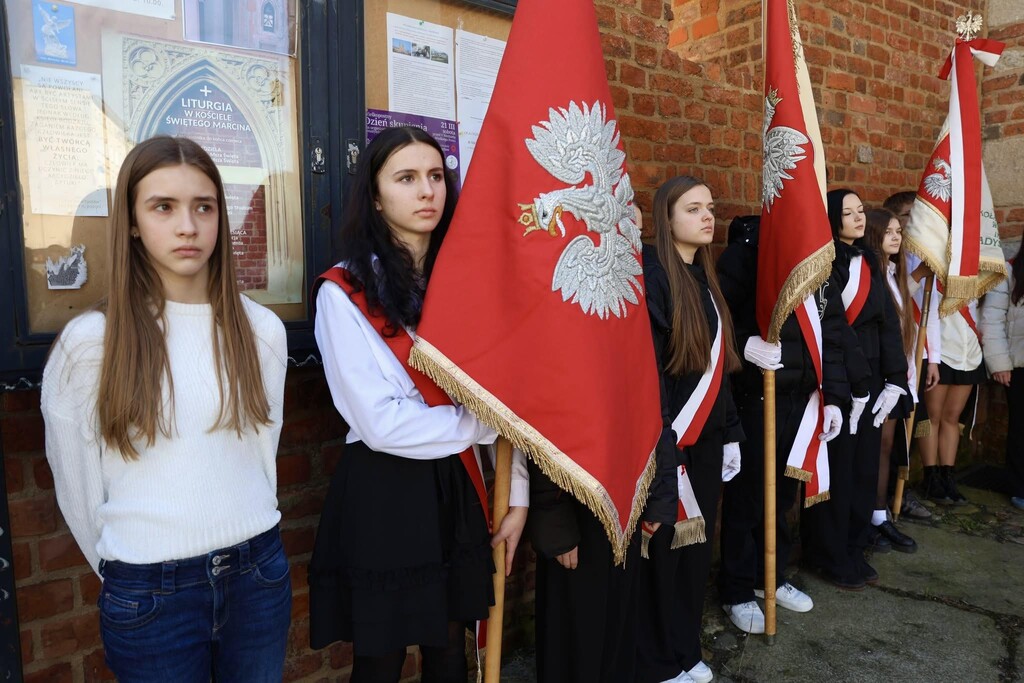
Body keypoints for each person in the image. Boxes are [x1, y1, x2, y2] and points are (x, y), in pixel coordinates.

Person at [41, 136, 291, 682]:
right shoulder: (92, 345)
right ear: (132, 221)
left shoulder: (261, 331)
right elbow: (79, 491)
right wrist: (133, 569)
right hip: (151, 596)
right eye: (163, 207)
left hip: (258, 579)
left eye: (204, 207)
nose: (188, 226)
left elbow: (259, 457)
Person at [307, 126, 528, 683]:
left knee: (450, 649)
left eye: (435, 176)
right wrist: (479, 423)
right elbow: (381, 424)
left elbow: (510, 401)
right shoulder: (343, 293)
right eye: (406, 178)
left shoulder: (471, 286)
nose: (427, 190)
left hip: (460, 486)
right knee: (380, 657)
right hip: (386, 491)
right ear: (376, 196)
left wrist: (517, 494)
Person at [716, 215, 849, 634]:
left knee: (784, 495)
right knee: (748, 499)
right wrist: (744, 345)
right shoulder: (746, 255)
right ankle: (736, 588)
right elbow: (715, 320)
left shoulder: (819, 260)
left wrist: (837, 397)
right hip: (758, 396)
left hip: (803, 398)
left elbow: (832, 332)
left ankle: (768, 577)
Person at [635, 176, 744, 683]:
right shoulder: (653, 274)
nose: (707, 216)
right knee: (663, 557)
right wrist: (664, 445)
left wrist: (734, 432)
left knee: (696, 553)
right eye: (693, 208)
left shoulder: (704, 278)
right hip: (668, 440)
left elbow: (717, 372)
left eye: (710, 207)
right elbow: (650, 374)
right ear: (666, 218)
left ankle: (685, 648)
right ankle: (657, 661)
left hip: (707, 440)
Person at [801, 189, 908, 590]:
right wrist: (859, 381)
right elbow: (834, 326)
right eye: (847, 213)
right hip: (840, 377)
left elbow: (887, 324)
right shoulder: (824, 264)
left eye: (860, 210)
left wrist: (895, 379)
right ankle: (827, 553)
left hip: (874, 378)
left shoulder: (869, 261)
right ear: (832, 218)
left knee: (864, 469)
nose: (857, 218)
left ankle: (854, 543)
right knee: (838, 471)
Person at [859, 208, 921, 552]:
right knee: (875, 449)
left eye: (899, 231)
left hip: (897, 377)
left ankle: (879, 515)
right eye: (889, 232)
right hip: (876, 379)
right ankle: (868, 517)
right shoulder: (870, 275)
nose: (896, 237)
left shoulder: (895, 275)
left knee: (887, 448)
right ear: (873, 235)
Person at [882, 191, 936, 520]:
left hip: (909, 359)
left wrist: (932, 357)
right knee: (884, 444)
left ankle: (900, 491)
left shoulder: (911, 255)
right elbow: (890, 305)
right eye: (905, 216)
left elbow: (910, 310)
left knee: (910, 431)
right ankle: (883, 501)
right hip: (887, 367)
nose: (910, 224)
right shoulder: (882, 262)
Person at [981, 239, 1024, 510]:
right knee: (1021, 429)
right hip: (1019, 366)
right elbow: (992, 319)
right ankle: (1020, 486)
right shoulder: (1010, 272)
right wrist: (999, 364)